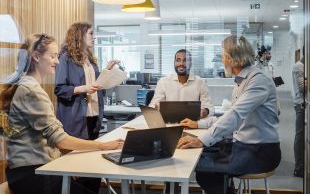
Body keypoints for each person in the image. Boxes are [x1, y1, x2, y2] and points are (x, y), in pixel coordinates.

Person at [1, 34, 122, 194]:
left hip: (30, 169)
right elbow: (60, 140)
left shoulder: (25, 85)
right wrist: (103, 145)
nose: (57, 62)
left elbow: (46, 139)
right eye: (53, 56)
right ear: (36, 57)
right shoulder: (31, 91)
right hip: (31, 173)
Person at [178, 35, 281, 194]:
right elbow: (229, 115)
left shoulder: (258, 80)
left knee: (203, 167)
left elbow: (235, 115)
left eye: (223, 54)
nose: (221, 59)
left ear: (231, 58)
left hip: (260, 152)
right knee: (202, 161)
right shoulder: (242, 80)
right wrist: (198, 125)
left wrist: (201, 140)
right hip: (244, 146)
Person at [55, 22, 118, 140]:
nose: (94, 37)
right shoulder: (65, 58)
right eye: (91, 33)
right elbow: (59, 89)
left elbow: (96, 83)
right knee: (75, 155)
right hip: (76, 117)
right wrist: (83, 88)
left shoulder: (89, 59)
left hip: (94, 114)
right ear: (80, 35)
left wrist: (107, 70)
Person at [149, 49, 214, 118]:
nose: (181, 64)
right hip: (169, 123)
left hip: (192, 124)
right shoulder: (163, 82)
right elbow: (152, 106)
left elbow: (210, 107)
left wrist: (205, 111)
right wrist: (155, 108)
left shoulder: (200, 82)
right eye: (178, 60)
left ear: (190, 63)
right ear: (174, 62)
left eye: (185, 60)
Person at [291, 43, 310, 178]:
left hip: (309, 104)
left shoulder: (308, 67)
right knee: (300, 136)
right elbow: (303, 87)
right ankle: (299, 167)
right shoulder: (299, 66)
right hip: (301, 105)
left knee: (307, 137)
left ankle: (304, 163)